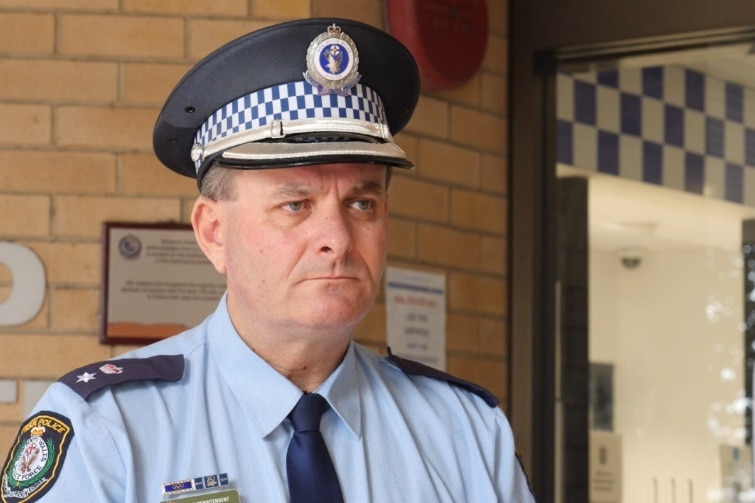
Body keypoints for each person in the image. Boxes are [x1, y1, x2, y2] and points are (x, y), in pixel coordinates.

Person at [1, 18, 536, 502]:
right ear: (213, 233)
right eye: (295, 204)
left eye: (362, 203)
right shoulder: (108, 428)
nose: (338, 239)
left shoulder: (465, 429)